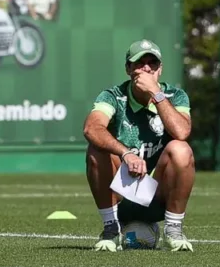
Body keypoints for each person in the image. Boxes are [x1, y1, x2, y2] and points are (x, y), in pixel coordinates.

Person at [83, 39, 195, 252]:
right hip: (120, 196)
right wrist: (126, 154)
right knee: (96, 149)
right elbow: (91, 128)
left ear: (160, 69)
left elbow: (182, 132)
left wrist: (156, 94)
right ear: (128, 69)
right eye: (139, 63)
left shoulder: (175, 96)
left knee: (181, 149)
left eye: (152, 63)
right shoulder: (113, 96)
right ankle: (111, 229)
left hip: (158, 198)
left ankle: (173, 230)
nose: (146, 68)